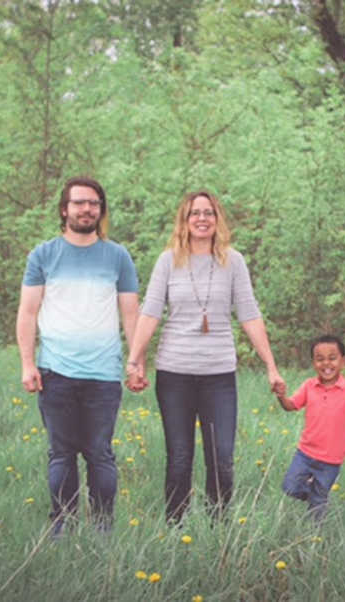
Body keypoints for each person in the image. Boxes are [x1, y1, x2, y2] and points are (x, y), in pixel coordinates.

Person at [125, 190, 285, 523]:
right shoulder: (168, 260)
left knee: (221, 458)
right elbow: (151, 312)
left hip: (219, 375)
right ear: (184, 220)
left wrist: (271, 366)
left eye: (208, 212)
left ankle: (218, 529)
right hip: (174, 374)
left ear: (217, 219)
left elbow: (250, 315)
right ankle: (174, 529)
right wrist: (135, 360)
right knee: (180, 458)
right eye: (194, 213)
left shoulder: (233, 261)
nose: (201, 219)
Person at [16, 176, 139, 536]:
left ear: (101, 210)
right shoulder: (43, 255)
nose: (87, 209)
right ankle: (62, 527)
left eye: (94, 204)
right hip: (55, 372)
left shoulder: (117, 256)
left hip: (104, 375)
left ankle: (103, 529)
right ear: (64, 209)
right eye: (79, 203)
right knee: (61, 454)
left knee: (100, 454)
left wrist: (136, 361)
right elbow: (27, 312)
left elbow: (131, 313)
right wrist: (27, 364)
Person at [276, 334, 345, 521]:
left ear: (343, 362)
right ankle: (314, 497)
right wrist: (281, 396)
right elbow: (291, 405)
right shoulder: (309, 386)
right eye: (320, 359)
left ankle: (315, 535)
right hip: (305, 454)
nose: (326, 364)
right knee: (290, 487)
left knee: (318, 506)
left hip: (331, 460)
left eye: (332, 358)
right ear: (314, 363)